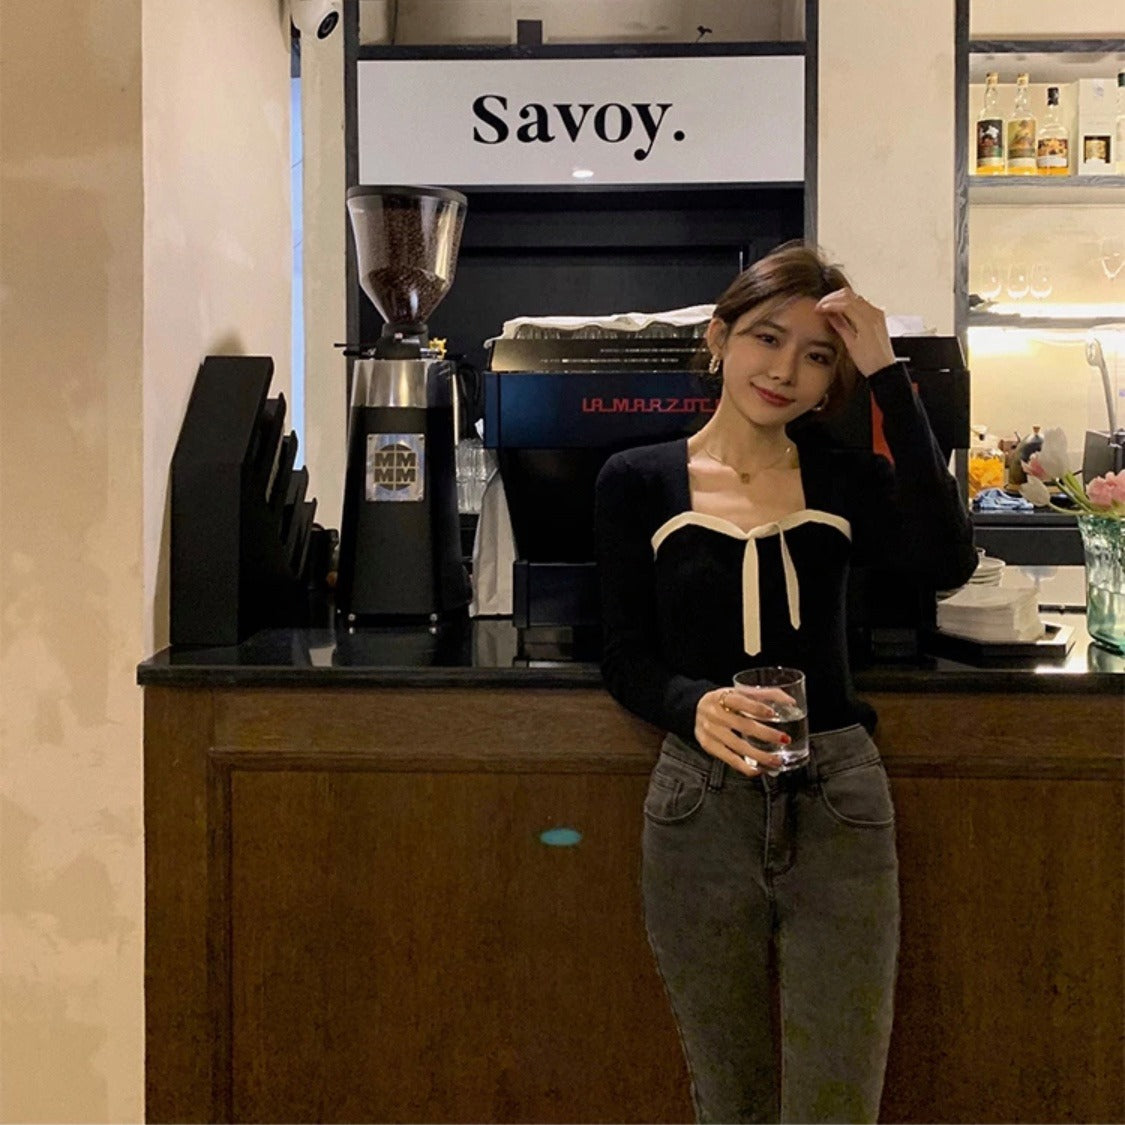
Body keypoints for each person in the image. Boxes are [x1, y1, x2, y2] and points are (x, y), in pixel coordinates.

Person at [593, 242, 976, 1124]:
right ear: (719, 337)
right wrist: (693, 704)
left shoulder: (844, 478)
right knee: (728, 1096)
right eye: (766, 338)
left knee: (837, 1099)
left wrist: (885, 370)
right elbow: (624, 654)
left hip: (838, 797)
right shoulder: (635, 480)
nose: (784, 372)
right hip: (699, 804)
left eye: (816, 356)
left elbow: (946, 560)